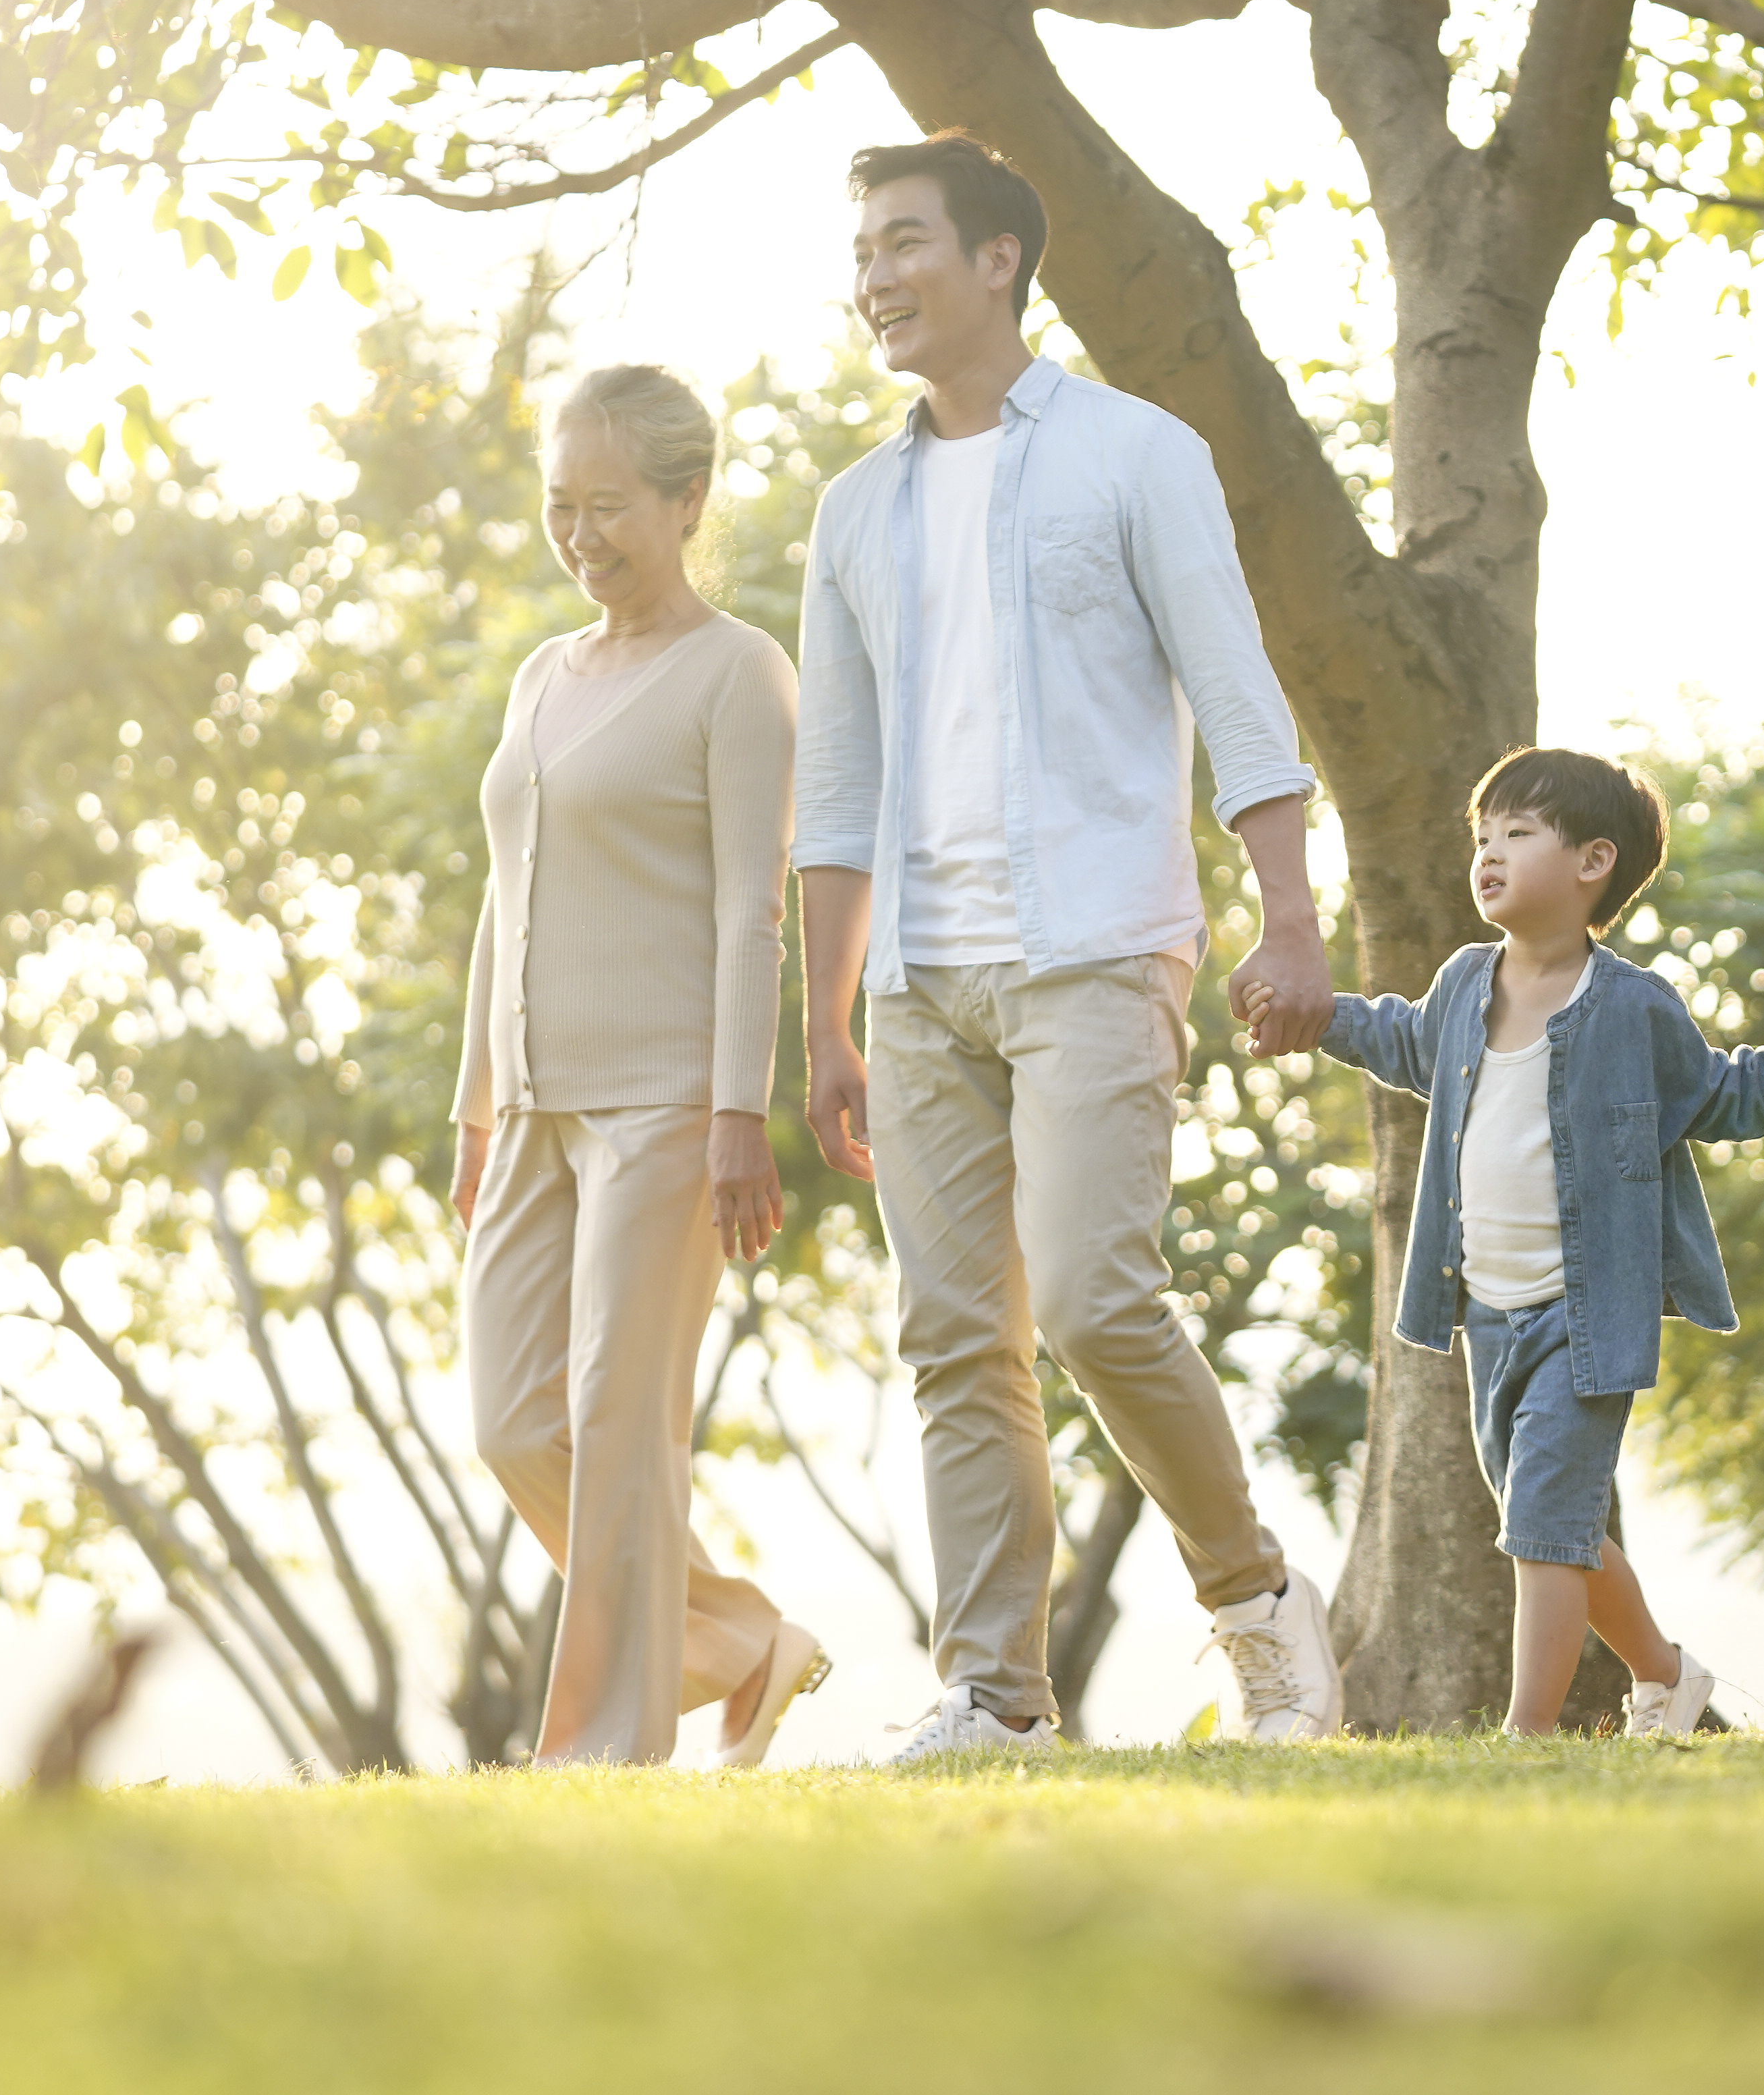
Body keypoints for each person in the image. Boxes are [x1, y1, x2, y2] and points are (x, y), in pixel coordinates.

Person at [793, 130, 1346, 1758]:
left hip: (1097, 940)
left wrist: (1290, 908)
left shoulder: (1133, 452)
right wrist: (823, 1019)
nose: (877, 277)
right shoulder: (852, 510)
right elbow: (836, 780)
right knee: (957, 1337)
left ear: (997, 261)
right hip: (918, 982)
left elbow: (1236, 687)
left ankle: (1254, 1601)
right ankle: (1000, 1693)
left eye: (905, 241)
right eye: (863, 251)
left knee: (1100, 1301)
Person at [1292, 748, 1764, 1737]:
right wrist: (1314, 1016)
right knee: (1559, 1530)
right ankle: (1668, 1678)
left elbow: (1725, 1096)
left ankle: (1529, 1733)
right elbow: (1398, 1040)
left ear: (1595, 862)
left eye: (1518, 833)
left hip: (1586, 1318)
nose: (1489, 854)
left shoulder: (1633, 1007)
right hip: (1486, 1315)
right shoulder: (1465, 985)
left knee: (1544, 1529)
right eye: (1482, 837)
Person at [451, 365, 834, 1768]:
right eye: (562, 505)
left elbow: (755, 907)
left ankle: (602, 1750)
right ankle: (740, 1642)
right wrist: (474, 1103)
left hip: (671, 1103)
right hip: (533, 1104)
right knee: (509, 1419)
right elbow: (508, 893)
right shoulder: (541, 674)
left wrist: (744, 1108)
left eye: (609, 505)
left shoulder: (741, 673)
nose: (582, 533)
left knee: (622, 1423)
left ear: (686, 499)